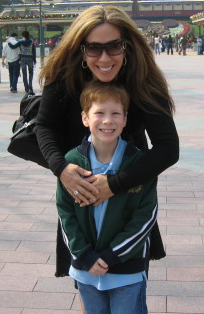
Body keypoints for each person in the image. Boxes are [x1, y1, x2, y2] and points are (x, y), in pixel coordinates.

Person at [35, 5, 179, 283]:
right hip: (80, 189)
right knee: (86, 281)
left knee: (129, 280)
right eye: (94, 48)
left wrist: (115, 184)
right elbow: (45, 126)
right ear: (81, 49)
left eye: (113, 47)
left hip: (130, 188)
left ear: (127, 48)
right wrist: (61, 168)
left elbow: (167, 148)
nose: (104, 57)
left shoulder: (143, 80)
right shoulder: (63, 77)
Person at [57, 80, 156, 314]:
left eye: (115, 113)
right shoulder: (72, 162)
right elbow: (65, 213)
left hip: (126, 269)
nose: (108, 120)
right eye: (99, 113)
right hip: (86, 269)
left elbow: (146, 217)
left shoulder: (138, 163)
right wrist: (84, 254)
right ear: (85, 118)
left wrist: (114, 255)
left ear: (125, 118)